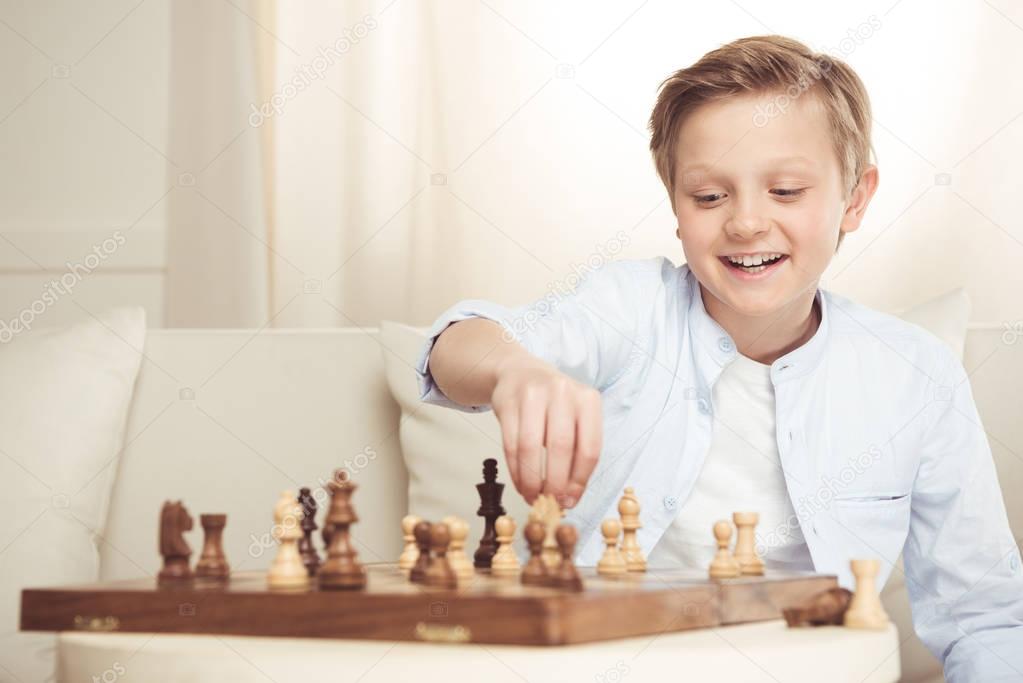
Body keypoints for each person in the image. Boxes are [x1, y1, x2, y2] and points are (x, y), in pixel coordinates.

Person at [415, 35, 1023, 680]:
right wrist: (515, 369)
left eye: (786, 190)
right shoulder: (627, 308)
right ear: (675, 205)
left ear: (855, 199)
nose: (746, 222)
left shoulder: (915, 373)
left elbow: (984, 615)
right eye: (709, 197)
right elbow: (455, 347)